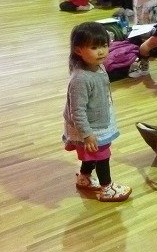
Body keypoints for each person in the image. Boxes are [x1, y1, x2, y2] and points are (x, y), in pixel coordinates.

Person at [62, 22, 132, 202]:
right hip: (89, 127)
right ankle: (107, 188)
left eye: (104, 45)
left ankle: (84, 178)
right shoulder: (81, 79)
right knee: (101, 156)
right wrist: (87, 134)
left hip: (97, 121)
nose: (101, 51)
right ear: (78, 50)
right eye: (94, 47)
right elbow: (77, 111)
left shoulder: (98, 66)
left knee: (92, 153)